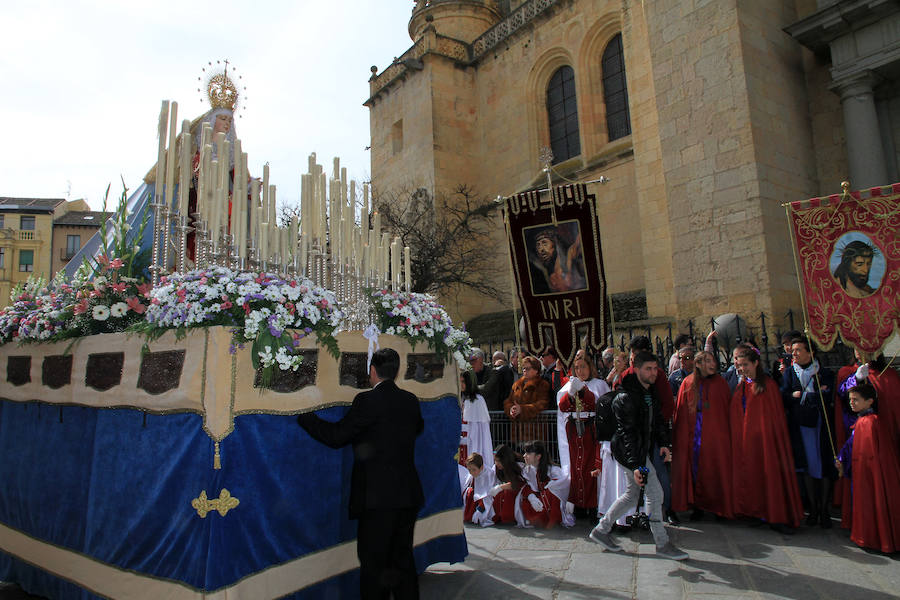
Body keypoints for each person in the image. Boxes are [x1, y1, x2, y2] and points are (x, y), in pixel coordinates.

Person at [297, 348, 424, 600]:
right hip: (407, 495)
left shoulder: (367, 401)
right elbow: (417, 429)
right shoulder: (410, 400)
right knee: (403, 561)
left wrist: (304, 416)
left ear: (372, 371)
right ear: (396, 371)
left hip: (377, 499)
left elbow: (336, 437)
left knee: (374, 565)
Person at [587, 352, 688, 561]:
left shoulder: (649, 392)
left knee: (632, 495)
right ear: (638, 369)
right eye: (648, 369)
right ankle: (662, 542)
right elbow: (627, 434)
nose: (653, 373)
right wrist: (635, 466)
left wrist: (664, 444)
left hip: (640, 451)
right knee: (655, 493)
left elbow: (657, 420)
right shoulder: (626, 397)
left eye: (655, 369)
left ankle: (601, 530)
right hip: (630, 454)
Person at [730, 343, 803, 532]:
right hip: (748, 442)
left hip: (766, 441)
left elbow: (772, 417)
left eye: (745, 364)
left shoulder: (767, 386)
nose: (742, 368)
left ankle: (776, 516)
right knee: (753, 476)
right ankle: (756, 511)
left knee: (771, 476)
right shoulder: (742, 387)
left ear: (755, 363)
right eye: (739, 365)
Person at [617, 336, 677, 524]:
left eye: (636, 354)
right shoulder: (627, 375)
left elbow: (666, 404)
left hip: (651, 435)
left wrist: (655, 428)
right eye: (632, 354)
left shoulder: (655, 374)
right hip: (635, 436)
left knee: (659, 474)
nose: (633, 357)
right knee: (634, 484)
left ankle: (666, 510)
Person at [835, 383, 900, 553]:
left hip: (870, 472)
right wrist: (842, 457)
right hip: (862, 471)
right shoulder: (862, 421)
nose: (852, 403)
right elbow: (851, 444)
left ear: (870, 401)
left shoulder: (872, 423)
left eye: (856, 400)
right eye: (850, 400)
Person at [780, 336, 836, 528]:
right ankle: (813, 508)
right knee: (806, 466)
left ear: (810, 352)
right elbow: (785, 396)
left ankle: (824, 510)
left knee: (824, 464)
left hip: (820, 424)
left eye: (798, 350)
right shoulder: (789, 373)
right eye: (792, 350)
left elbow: (827, 396)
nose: (793, 354)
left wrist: (802, 396)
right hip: (800, 424)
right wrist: (810, 395)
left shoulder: (824, 372)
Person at [671, 350, 734, 520]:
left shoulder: (720, 384)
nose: (713, 364)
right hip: (693, 436)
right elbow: (681, 413)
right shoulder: (688, 383)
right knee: (693, 471)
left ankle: (718, 507)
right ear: (698, 364)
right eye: (707, 361)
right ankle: (697, 506)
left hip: (715, 436)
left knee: (716, 469)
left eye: (713, 360)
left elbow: (725, 411)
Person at [557, 355, 609, 515]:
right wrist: (571, 393)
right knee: (576, 466)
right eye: (577, 367)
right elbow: (563, 407)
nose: (580, 371)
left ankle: (593, 505)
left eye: (583, 367)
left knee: (591, 467)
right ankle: (578, 503)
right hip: (574, 430)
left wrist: (583, 391)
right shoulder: (568, 385)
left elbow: (599, 404)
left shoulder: (599, 384)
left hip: (591, 430)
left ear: (590, 367)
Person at [838, 351, 900, 454]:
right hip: (855, 425)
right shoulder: (846, 372)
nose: (857, 350)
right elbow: (841, 393)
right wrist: (856, 379)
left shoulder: (888, 374)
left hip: (882, 428)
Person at [520, 440, 573, 528]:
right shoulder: (527, 470)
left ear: (538, 456)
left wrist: (549, 487)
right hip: (539, 501)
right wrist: (531, 497)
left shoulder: (553, 470)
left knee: (550, 491)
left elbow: (563, 485)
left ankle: (552, 520)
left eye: (528, 453)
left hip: (551, 504)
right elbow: (525, 486)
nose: (524, 456)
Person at [505, 356, 550, 445]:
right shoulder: (516, 385)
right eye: (523, 368)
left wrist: (522, 409)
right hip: (518, 431)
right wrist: (511, 409)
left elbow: (542, 404)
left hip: (534, 430)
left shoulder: (542, 384)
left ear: (536, 370)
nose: (524, 370)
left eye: (528, 368)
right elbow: (508, 401)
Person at [528, 226, 586, 294]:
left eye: (544, 243)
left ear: (555, 243)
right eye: (538, 245)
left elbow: (578, 243)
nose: (541, 249)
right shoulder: (550, 275)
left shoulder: (570, 254)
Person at [459, 370, 493, 466]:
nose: (461, 384)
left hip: (473, 445)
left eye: (463, 382)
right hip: (461, 446)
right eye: (460, 381)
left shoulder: (477, 400)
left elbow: (477, 432)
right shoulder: (461, 398)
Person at [488, 444, 527, 525]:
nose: (496, 463)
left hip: (520, 493)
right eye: (495, 460)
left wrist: (501, 487)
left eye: (499, 461)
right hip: (506, 490)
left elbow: (519, 484)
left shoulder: (519, 466)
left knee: (507, 493)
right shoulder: (495, 468)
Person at [462, 453, 498, 527]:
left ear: (481, 467)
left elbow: (488, 495)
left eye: (474, 470)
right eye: (469, 470)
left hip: (487, 502)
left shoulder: (488, 474)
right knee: (469, 491)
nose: (471, 472)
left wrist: (480, 510)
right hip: (476, 500)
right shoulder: (472, 475)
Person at [540, 345, 566, 410]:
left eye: (543, 355)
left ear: (551, 356)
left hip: (555, 408)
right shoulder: (545, 371)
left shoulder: (558, 370)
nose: (540, 358)